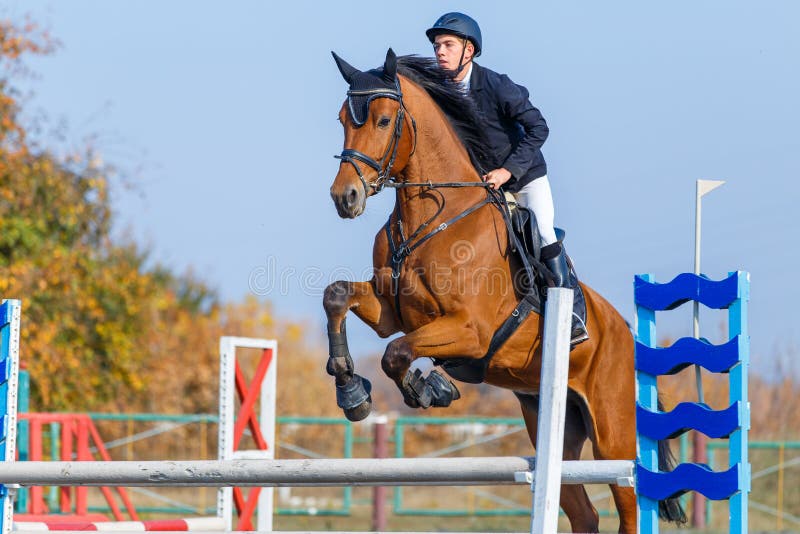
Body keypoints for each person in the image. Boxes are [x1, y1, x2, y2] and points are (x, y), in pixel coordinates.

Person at [426, 12, 588, 345]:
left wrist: (508, 170)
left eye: (448, 44)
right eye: (437, 45)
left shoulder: (497, 85)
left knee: (542, 233)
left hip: (525, 178)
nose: (440, 51)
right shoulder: (439, 95)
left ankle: (570, 314)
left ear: (468, 51)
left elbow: (539, 127)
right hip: (482, 186)